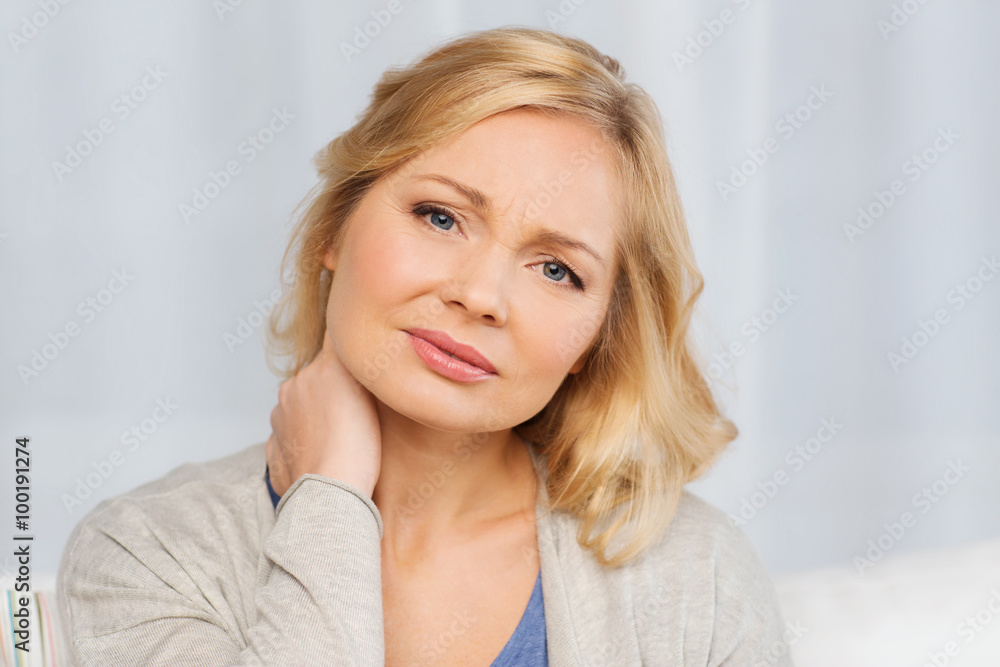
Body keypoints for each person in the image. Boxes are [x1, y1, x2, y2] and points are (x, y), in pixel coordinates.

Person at [56, 26, 793, 666]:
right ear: (333, 229)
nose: (480, 295)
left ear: (597, 335)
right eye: (441, 217)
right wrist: (331, 499)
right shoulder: (147, 551)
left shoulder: (698, 575)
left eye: (556, 269)